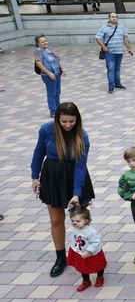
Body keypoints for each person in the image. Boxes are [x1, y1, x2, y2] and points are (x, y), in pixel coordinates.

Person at [31, 102, 95, 277]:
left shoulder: (82, 136)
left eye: (71, 121)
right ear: (57, 119)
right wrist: (35, 176)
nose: (68, 125)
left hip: (75, 176)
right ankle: (60, 258)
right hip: (52, 175)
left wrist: (76, 193)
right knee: (56, 219)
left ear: (77, 120)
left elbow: (81, 166)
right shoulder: (46, 129)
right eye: (64, 121)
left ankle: (88, 251)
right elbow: (38, 152)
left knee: (82, 219)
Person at [66, 206, 107, 292]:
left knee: (98, 265)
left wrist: (88, 251)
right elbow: (76, 238)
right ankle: (86, 281)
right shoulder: (77, 228)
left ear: (86, 221)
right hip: (80, 251)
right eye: (72, 221)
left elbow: (95, 242)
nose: (74, 223)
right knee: (82, 267)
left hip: (92, 253)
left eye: (77, 221)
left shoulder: (91, 232)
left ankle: (100, 277)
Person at [95, 12, 133, 94]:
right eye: (112, 17)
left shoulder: (121, 26)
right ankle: (111, 86)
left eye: (116, 17)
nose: (114, 18)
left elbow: (125, 37)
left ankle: (118, 83)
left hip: (119, 51)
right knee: (111, 68)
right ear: (109, 18)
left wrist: (129, 48)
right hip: (109, 52)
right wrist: (104, 47)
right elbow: (98, 38)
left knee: (117, 68)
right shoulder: (104, 27)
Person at [33, 35, 64, 118]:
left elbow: (56, 60)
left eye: (46, 41)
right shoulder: (38, 51)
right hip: (48, 75)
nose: (45, 43)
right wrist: (49, 73)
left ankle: (58, 109)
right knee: (51, 93)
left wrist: (61, 70)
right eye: (42, 42)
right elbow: (39, 64)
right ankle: (53, 111)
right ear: (38, 43)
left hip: (56, 73)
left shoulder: (49, 49)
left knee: (57, 92)